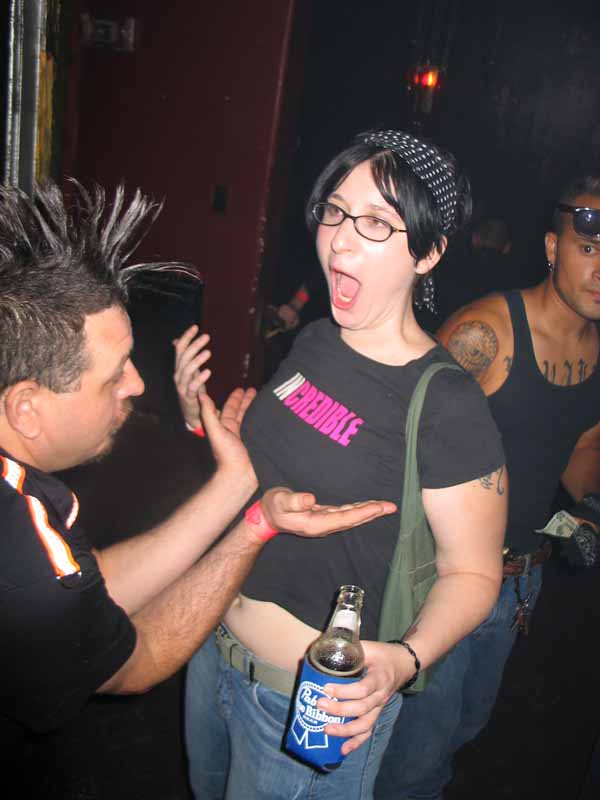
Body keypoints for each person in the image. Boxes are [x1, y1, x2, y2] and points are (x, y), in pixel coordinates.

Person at [0, 179, 397, 767]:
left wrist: (233, 486)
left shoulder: (34, 537)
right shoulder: (18, 536)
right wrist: (255, 526)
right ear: (26, 409)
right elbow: (131, 663)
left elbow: (86, 584)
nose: (138, 384)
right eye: (114, 375)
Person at [176, 128, 508, 800]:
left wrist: (405, 660)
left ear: (429, 252)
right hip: (210, 650)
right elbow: (266, 482)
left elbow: (474, 573)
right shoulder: (316, 339)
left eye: (377, 223)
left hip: (307, 707)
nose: (339, 240)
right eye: (334, 210)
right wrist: (204, 422)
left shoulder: (446, 403)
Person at [375, 170, 600, 799]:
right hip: (444, 577)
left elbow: (581, 446)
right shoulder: (488, 334)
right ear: (553, 247)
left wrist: (587, 509)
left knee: (463, 730)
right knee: (414, 763)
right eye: (589, 247)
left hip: (521, 580)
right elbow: (399, 440)